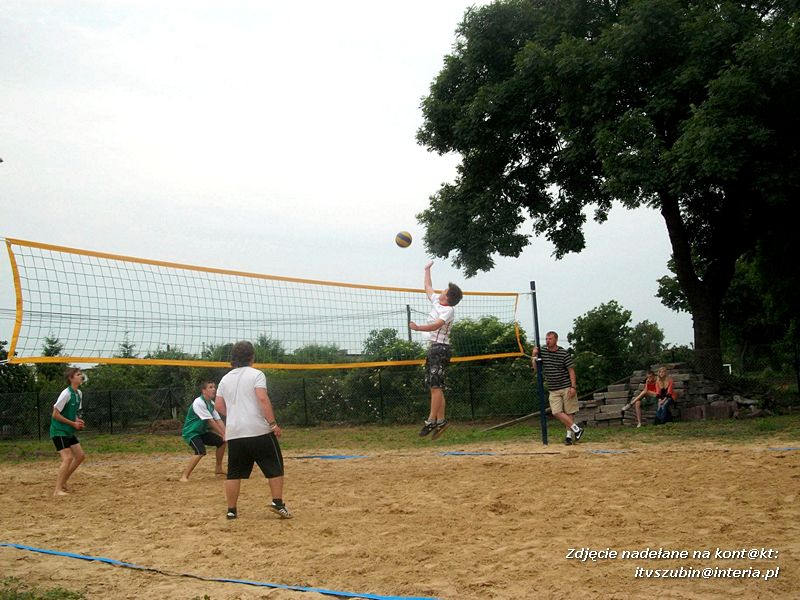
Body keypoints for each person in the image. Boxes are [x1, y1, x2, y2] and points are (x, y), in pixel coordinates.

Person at [214, 340, 291, 520]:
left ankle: (231, 510)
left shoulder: (225, 379)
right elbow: (262, 399)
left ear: (233, 358)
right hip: (258, 430)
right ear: (252, 357)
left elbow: (218, 406)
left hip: (235, 432)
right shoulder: (256, 374)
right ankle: (278, 503)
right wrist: (273, 424)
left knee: (234, 473)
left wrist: (235, 415)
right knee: (275, 466)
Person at [409, 261, 463, 440]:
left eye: (444, 291)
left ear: (447, 297)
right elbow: (428, 287)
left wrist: (418, 328)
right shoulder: (437, 302)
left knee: (436, 386)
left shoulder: (448, 310)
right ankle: (441, 420)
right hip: (434, 348)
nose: (441, 292)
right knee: (435, 387)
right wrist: (426, 270)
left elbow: (436, 325)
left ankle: (431, 420)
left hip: (441, 349)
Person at [531, 332, 584, 445]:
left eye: (550, 339)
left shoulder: (563, 353)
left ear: (556, 340)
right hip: (553, 388)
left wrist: (573, 386)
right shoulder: (542, 351)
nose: (547, 341)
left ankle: (569, 437)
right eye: (546, 339)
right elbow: (536, 368)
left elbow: (571, 370)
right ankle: (577, 429)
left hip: (566, 386)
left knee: (569, 412)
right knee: (556, 412)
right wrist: (534, 356)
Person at [180, 380, 227, 482]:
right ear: (203, 390)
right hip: (191, 432)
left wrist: (226, 434)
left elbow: (218, 420)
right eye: (210, 387)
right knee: (200, 451)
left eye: (214, 387)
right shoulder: (199, 402)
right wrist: (223, 434)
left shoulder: (211, 403)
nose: (214, 389)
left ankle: (218, 468)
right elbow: (211, 421)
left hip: (201, 432)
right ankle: (184, 476)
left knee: (222, 442)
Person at [50, 367, 87, 496]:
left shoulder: (79, 393)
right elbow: (55, 414)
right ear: (71, 378)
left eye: (81, 374)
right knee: (68, 458)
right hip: (58, 430)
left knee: (80, 456)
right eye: (78, 374)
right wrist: (73, 424)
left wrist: (77, 420)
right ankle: (57, 490)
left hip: (68, 430)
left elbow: (73, 413)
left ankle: (63, 482)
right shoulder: (66, 393)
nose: (81, 376)